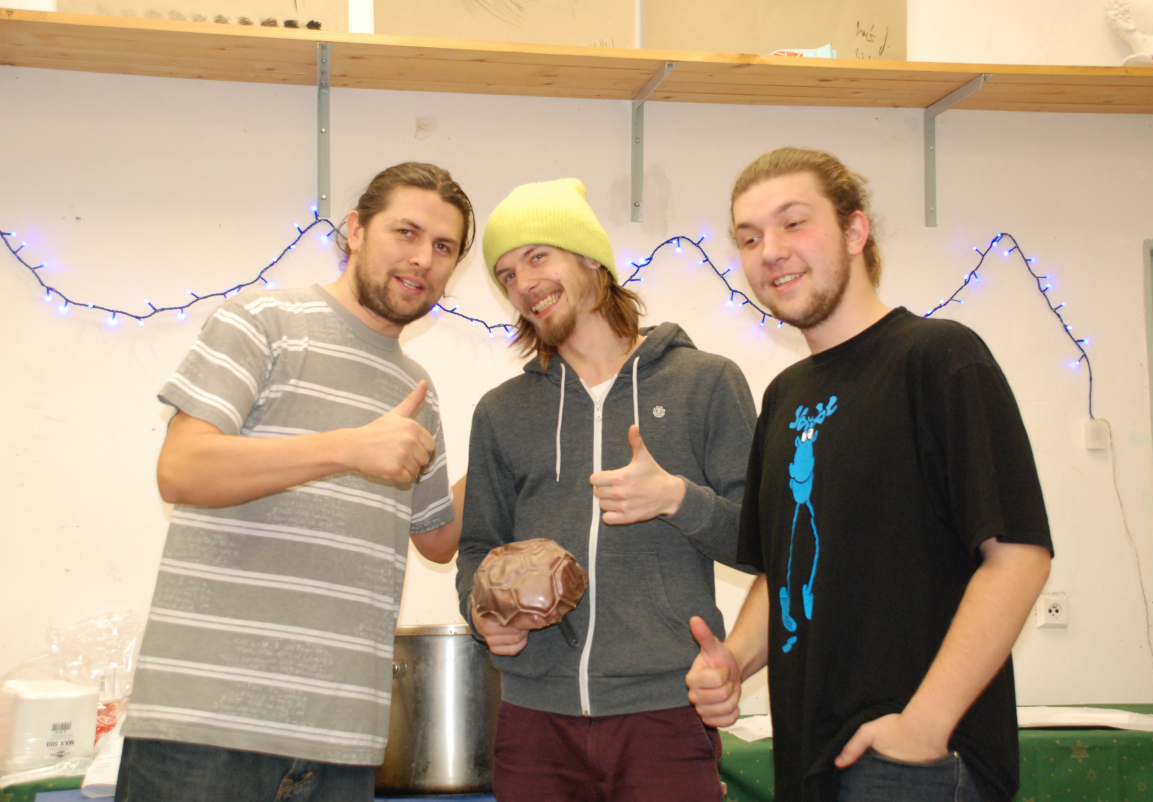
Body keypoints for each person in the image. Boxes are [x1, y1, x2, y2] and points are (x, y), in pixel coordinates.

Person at [685, 148, 1054, 802]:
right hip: (809, 758)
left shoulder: (940, 358)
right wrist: (734, 660)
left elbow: (1019, 557)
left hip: (915, 766)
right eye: (750, 237)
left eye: (793, 223)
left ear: (855, 230)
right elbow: (785, 570)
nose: (770, 251)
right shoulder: (784, 397)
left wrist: (923, 727)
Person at [116, 162, 474, 802]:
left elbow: (438, 540)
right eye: (406, 232)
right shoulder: (262, 321)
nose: (423, 258)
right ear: (356, 230)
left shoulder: (417, 391)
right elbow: (182, 468)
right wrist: (347, 448)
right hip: (205, 730)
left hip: (342, 746)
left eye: (444, 246)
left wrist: (515, 439)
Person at [455, 178, 756, 802]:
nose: (523, 283)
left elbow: (764, 542)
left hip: (666, 713)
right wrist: (482, 615)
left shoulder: (705, 383)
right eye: (507, 274)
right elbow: (477, 549)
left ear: (592, 260)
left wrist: (677, 499)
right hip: (534, 720)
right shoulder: (502, 411)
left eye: (538, 256)